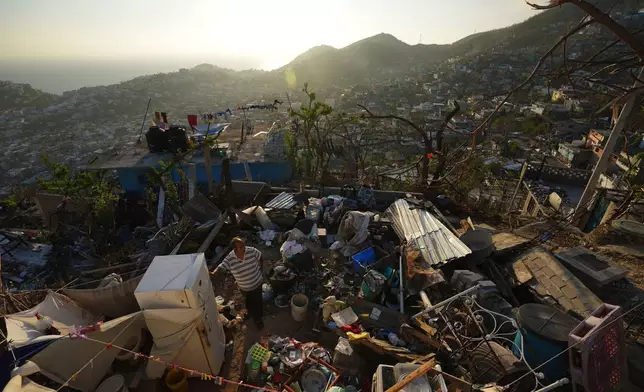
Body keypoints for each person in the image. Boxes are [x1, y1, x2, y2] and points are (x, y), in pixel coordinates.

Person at [211, 237, 264, 329]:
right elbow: (220, 269)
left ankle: (258, 319)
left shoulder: (251, 251)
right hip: (244, 287)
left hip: (257, 283)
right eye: (241, 247)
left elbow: (260, 257)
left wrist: (260, 269)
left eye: (243, 245)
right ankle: (249, 314)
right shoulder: (230, 259)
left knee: (258, 302)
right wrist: (211, 273)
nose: (244, 248)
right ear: (235, 249)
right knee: (248, 302)